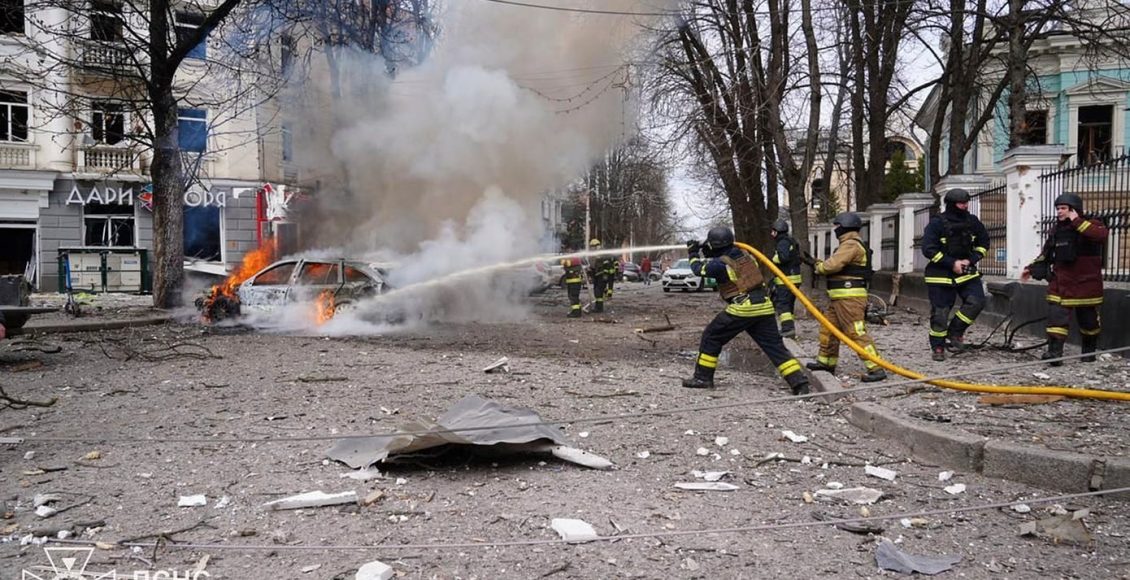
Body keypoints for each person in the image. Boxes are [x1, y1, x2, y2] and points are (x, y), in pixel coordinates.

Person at [681, 226, 811, 396]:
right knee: (775, 347)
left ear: (714, 244)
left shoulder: (720, 265)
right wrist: (707, 250)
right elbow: (726, 257)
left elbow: (699, 270)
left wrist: (692, 254)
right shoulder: (745, 256)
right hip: (763, 306)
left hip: (744, 308)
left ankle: (703, 378)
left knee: (711, 336)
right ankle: (799, 383)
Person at [1022, 193, 1108, 366]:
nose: (1059, 212)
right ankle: (1055, 354)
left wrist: (1076, 221)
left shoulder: (1092, 224)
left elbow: (1101, 236)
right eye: (1058, 209)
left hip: (1086, 283)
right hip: (1061, 282)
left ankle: (1088, 353)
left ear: (1074, 209)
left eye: (1063, 208)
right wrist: (1031, 268)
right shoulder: (1057, 230)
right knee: (1056, 317)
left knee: (1089, 321)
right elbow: (1046, 253)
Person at [801, 212, 887, 383]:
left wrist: (817, 265)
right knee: (828, 330)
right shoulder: (848, 244)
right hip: (839, 298)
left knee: (856, 332)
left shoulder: (851, 244)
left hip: (850, 298)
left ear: (845, 227)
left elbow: (832, 266)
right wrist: (815, 262)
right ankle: (826, 363)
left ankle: (876, 368)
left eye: (837, 226)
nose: (835, 230)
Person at [920, 188, 991, 361]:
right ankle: (938, 346)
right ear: (952, 205)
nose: (965, 206)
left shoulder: (972, 222)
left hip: (966, 272)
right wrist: (951, 263)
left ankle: (955, 332)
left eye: (966, 203)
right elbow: (928, 249)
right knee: (940, 313)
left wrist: (971, 260)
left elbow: (984, 243)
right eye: (961, 204)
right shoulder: (936, 224)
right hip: (940, 275)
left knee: (977, 301)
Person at [769, 218, 802, 338]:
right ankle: (789, 327)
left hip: (786, 280)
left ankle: (787, 329)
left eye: (773, 231)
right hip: (794, 279)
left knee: (782, 305)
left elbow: (783, 258)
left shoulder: (782, 242)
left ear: (777, 231)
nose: (772, 234)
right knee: (789, 306)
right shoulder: (791, 241)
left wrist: (773, 259)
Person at [588, 239, 616, 313]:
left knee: (598, 291)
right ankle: (598, 307)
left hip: (602, 276)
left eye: (592, 246)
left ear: (597, 246)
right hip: (597, 276)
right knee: (596, 292)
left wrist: (605, 275)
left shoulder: (602, 254)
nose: (591, 248)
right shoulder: (594, 255)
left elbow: (607, 266)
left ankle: (599, 308)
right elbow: (593, 267)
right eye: (591, 247)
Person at [561, 251, 585, 318]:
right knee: (573, 297)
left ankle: (576, 312)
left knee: (573, 296)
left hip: (574, 282)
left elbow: (566, 263)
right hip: (572, 281)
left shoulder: (574, 259)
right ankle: (577, 311)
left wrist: (564, 259)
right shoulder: (574, 258)